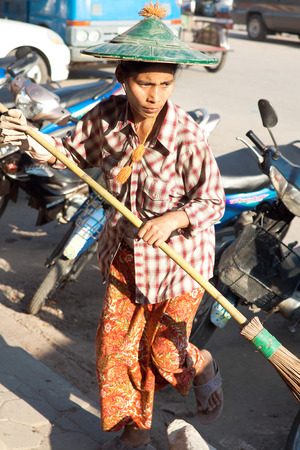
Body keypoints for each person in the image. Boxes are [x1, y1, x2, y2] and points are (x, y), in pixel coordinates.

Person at [0, 3, 225, 449]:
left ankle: (201, 363)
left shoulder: (187, 137)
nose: (155, 94)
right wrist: (33, 139)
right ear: (124, 78)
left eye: (164, 84)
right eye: (145, 83)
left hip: (179, 265)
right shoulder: (106, 117)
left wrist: (172, 219)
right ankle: (135, 432)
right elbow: (70, 154)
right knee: (116, 350)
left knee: (163, 353)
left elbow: (213, 201)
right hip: (125, 255)